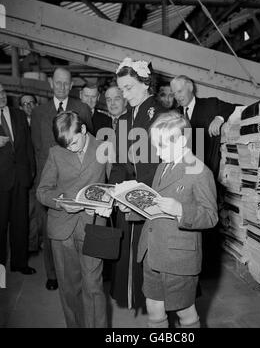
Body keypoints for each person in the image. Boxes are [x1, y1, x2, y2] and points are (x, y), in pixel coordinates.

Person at [137, 111, 218, 328]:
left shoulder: (201, 172)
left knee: (185, 312)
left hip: (178, 259)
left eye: (162, 146)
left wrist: (180, 209)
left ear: (182, 141)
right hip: (152, 251)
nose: (157, 152)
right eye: (156, 146)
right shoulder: (163, 166)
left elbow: (211, 216)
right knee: (154, 309)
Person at [36, 111, 111, 328]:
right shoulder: (56, 153)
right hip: (62, 229)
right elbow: (42, 191)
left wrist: (105, 199)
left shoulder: (103, 147)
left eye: (74, 142)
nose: (70, 148)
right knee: (70, 289)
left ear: (84, 130)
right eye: (65, 145)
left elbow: (113, 182)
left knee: (94, 286)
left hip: (93, 227)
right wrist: (59, 201)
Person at [109, 57, 165, 310]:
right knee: (129, 253)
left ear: (145, 83)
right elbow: (119, 164)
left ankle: (153, 306)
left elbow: (163, 166)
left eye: (129, 88)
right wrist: (112, 192)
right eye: (121, 89)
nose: (124, 94)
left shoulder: (161, 116)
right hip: (126, 196)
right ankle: (136, 300)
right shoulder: (123, 121)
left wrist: (138, 195)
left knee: (152, 257)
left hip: (152, 197)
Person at [31, 67, 92, 291]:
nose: (62, 87)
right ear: (51, 83)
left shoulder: (82, 109)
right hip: (49, 181)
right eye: (58, 82)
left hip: (76, 181)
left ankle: (81, 274)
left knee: (79, 233)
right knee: (51, 232)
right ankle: (52, 274)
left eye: (66, 83)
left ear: (72, 84)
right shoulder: (39, 113)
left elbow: (89, 144)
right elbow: (35, 149)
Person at [0, 84, 36, 274]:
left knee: (20, 224)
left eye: (3, 92)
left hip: (20, 179)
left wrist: (30, 173)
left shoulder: (18, 114)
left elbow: (28, 146)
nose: (2, 96)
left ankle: (19, 263)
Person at [170, 75, 236, 178]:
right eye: (174, 94)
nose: (177, 97)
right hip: (182, 175)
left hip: (206, 174)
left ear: (190, 87)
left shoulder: (210, 104)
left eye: (180, 91)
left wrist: (219, 118)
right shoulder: (174, 115)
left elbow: (231, 107)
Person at [19, 94, 40, 253]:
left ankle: (42, 243)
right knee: (30, 212)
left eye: (31, 103)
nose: (28, 107)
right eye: (24, 104)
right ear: (20, 107)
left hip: (44, 173)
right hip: (28, 176)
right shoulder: (18, 125)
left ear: (36, 104)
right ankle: (32, 245)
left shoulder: (42, 122)